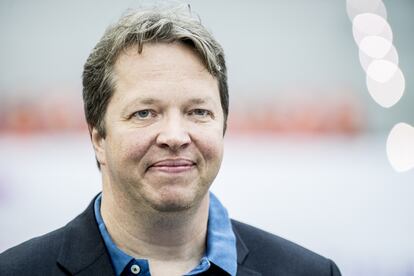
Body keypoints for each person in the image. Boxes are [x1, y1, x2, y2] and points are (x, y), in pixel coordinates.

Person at [0, 4, 341, 276]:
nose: (176, 137)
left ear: (223, 126)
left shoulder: (309, 271)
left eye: (198, 112)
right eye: (145, 113)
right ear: (98, 137)